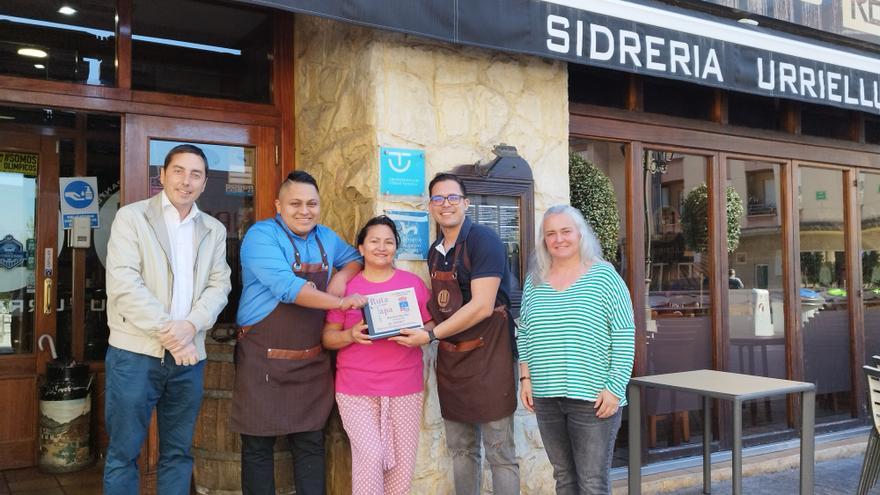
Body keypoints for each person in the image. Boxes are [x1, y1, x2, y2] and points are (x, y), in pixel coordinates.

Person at [104, 144, 232, 494]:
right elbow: (124, 284)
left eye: (196, 174)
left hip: (188, 360)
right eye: (178, 171)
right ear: (161, 176)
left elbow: (220, 285)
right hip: (135, 356)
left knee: (178, 453)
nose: (186, 181)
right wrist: (171, 333)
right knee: (122, 453)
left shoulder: (213, 230)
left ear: (205, 183)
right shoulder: (132, 218)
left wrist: (190, 326)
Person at [231, 170, 366, 495]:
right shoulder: (260, 236)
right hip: (261, 359)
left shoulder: (326, 238)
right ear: (279, 205)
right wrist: (339, 300)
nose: (304, 210)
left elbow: (356, 258)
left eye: (311, 204)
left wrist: (342, 274)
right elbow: (287, 288)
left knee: (310, 445)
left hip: (311, 361)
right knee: (257, 447)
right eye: (295, 203)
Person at [395, 173, 520, 494]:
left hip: (490, 358)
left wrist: (430, 335)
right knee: (462, 450)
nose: (445, 204)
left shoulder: (484, 240)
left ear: (465, 203)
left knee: (500, 453)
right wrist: (418, 329)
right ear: (431, 206)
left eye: (452, 198)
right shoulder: (435, 250)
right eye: (438, 199)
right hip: (453, 361)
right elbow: (443, 309)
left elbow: (481, 306)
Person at [518, 205, 635, 495]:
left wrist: (614, 388)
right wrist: (526, 378)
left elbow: (624, 334)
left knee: (592, 483)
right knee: (564, 479)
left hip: (594, 398)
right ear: (544, 240)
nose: (559, 239)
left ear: (580, 233)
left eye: (566, 231)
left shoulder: (605, 277)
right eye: (551, 234)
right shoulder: (535, 281)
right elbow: (524, 333)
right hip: (547, 396)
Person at [322, 215, 434, 495]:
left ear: (396, 247)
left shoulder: (413, 285)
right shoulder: (347, 289)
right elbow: (328, 337)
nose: (381, 247)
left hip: (404, 387)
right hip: (356, 389)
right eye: (374, 241)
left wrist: (420, 335)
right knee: (369, 458)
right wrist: (350, 335)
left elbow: (431, 325)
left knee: (402, 466)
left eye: (389, 241)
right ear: (360, 248)